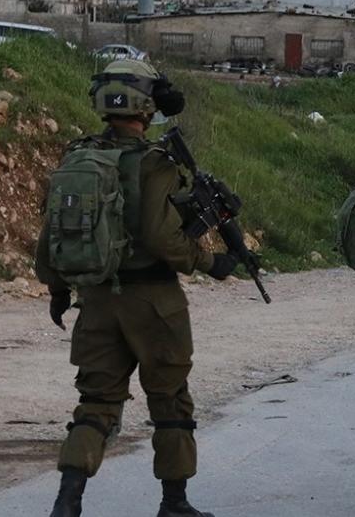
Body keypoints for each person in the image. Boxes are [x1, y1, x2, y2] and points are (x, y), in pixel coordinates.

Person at [38, 60, 240, 517]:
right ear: (146, 107)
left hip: (97, 300)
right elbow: (160, 237)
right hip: (154, 302)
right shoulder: (155, 163)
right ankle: (175, 505)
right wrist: (211, 262)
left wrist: (55, 287)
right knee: (170, 400)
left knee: (96, 403)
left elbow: (53, 231)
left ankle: (67, 503)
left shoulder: (78, 157)